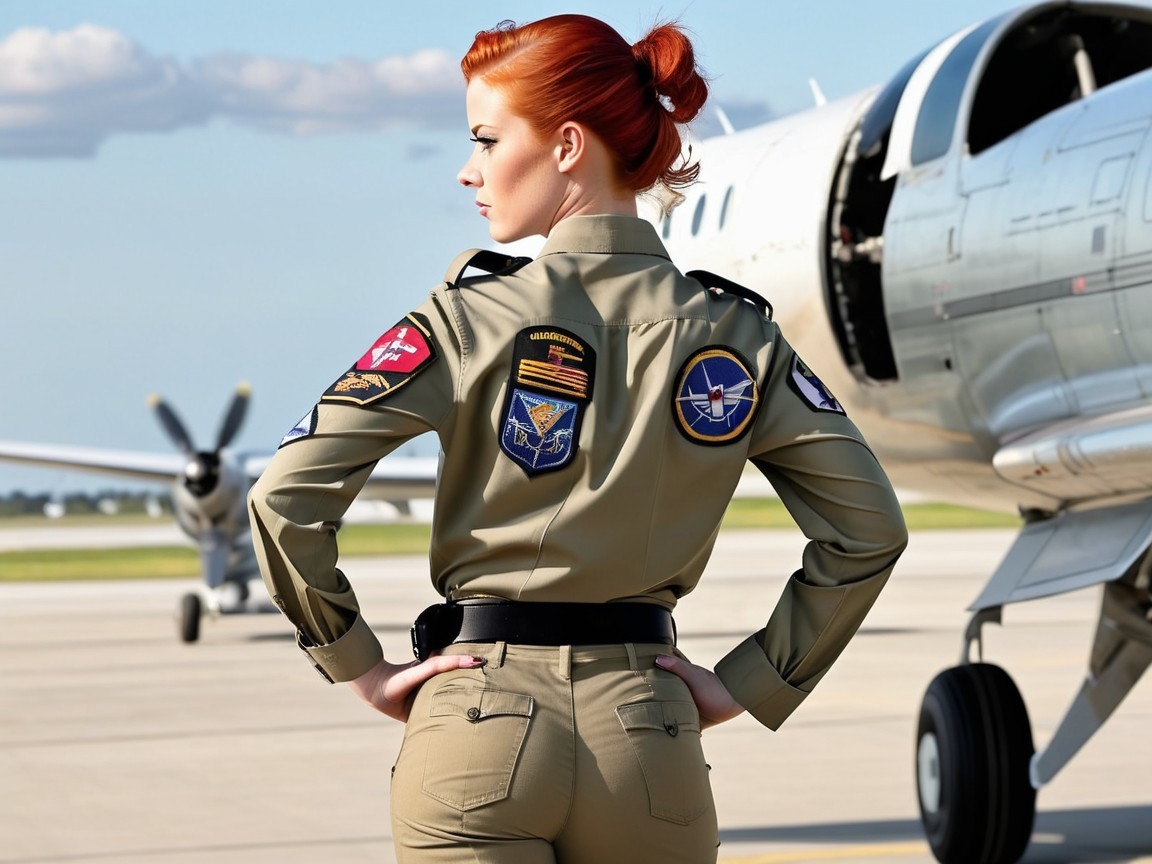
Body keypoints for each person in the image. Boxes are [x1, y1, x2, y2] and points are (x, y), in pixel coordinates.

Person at [248, 13, 907, 864]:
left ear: (565, 145)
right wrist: (751, 680)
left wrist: (359, 664)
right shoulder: (737, 336)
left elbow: (285, 498)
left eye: (486, 139)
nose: (468, 170)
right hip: (648, 735)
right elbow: (868, 532)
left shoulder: (465, 319)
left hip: (476, 726)